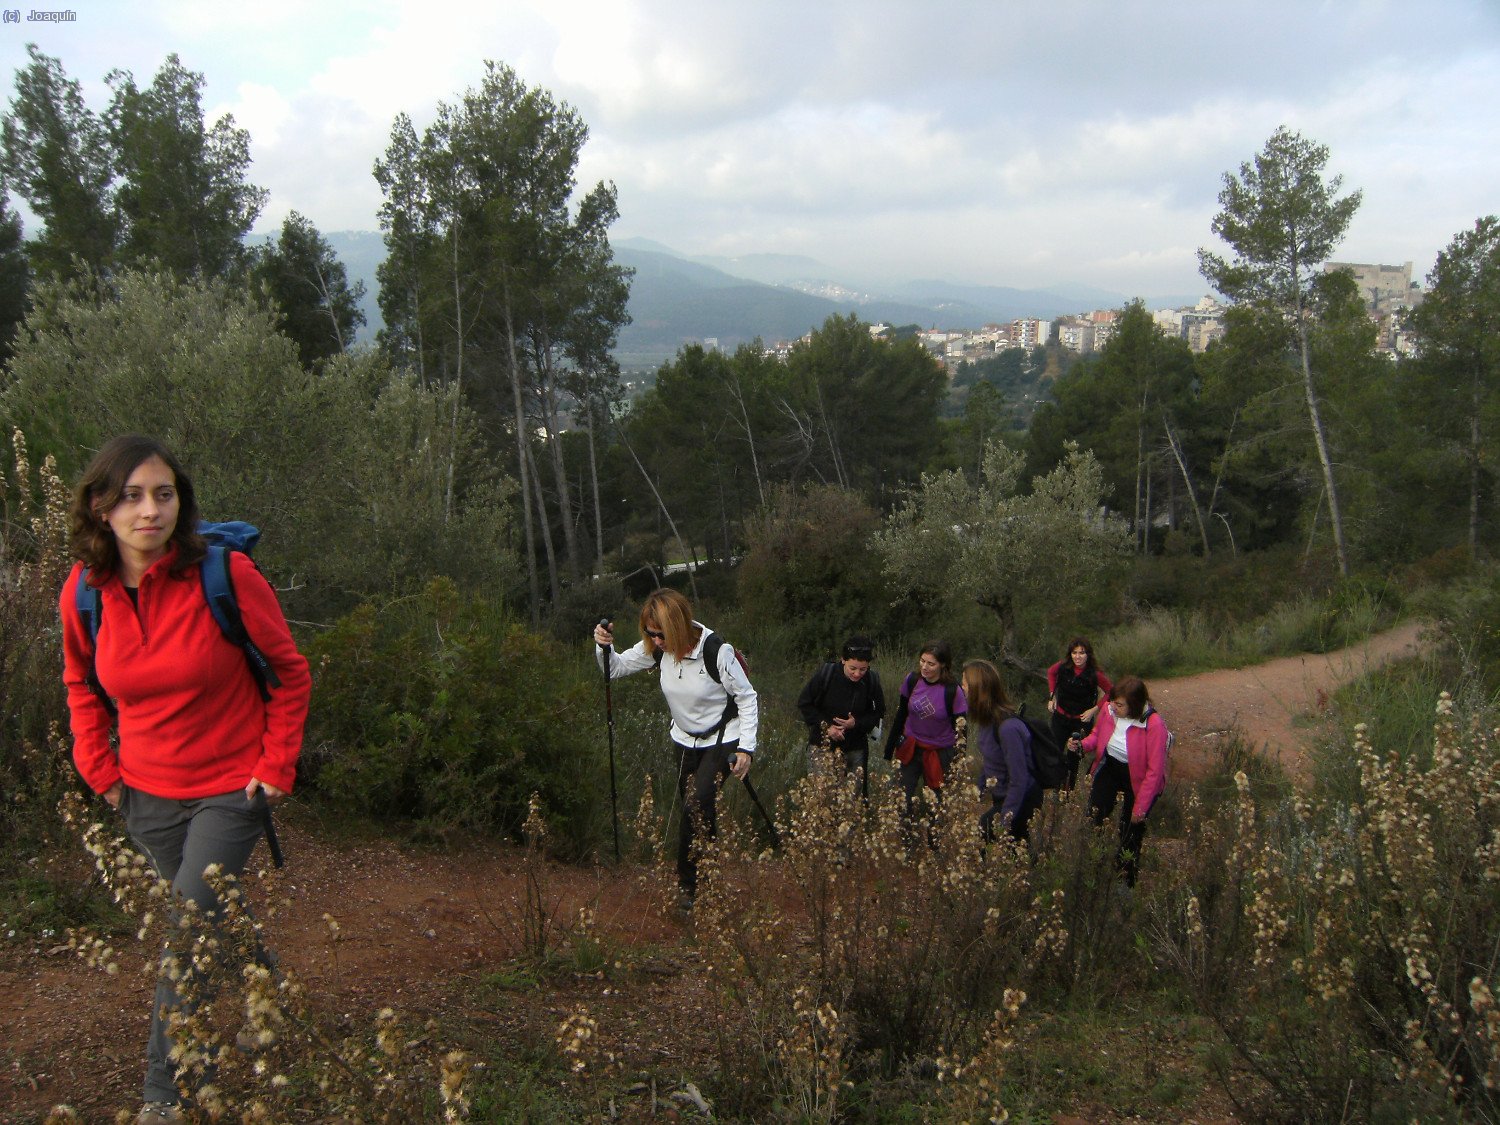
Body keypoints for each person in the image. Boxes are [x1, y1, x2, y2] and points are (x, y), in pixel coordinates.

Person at [60, 435, 312, 1124]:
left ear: (181, 502)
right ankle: (273, 1001)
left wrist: (275, 765)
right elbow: (80, 681)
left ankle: (163, 1092)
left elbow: (290, 671)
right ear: (101, 507)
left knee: (189, 927)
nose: (150, 510)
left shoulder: (224, 576)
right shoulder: (84, 591)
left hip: (231, 788)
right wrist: (99, 768)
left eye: (163, 494)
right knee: (213, 913)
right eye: (131, 496)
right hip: (144, 795)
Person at [593, 589, 757, 904]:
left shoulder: (716, 651)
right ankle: (709, 876)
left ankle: (688, 888)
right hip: (683, 740)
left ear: (678, 627)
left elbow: (747, 698)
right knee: (699, 811)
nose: (656, 641)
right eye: (650, 634)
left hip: (723, 738)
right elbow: (614, 668)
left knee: (695, 805)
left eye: (661, 634)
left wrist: (746, 749)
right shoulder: (657, 649)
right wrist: (604, 647)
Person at [1071, 676, 1168, 887]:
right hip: (1111, 768)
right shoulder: (1109, 711)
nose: (1113, 707)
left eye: (1120, 705)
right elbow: (1097, 736)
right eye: (1113, 702)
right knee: (1094, 816)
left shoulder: (1153, 725)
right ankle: (1092, 869)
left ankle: (1124, 882)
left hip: (1139, 778)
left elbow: (1155, 771)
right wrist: (1081, 745)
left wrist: (1140, 808)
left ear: (1135, 705)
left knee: (1130, 831)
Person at [962, 659, 1041, 845]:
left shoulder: (1008, 728)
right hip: (1003, 796)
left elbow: (1019, 779)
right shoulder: (986, 721)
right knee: (1014, 850)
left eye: (965, 684)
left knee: (990, 835)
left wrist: (1004, 821)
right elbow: (992, 761)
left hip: (1022, 798)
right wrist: (979, 789)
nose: (962, 688)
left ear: (978, 690)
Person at [883, 640, 967, 807]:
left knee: (937, 804)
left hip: (939, 752)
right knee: (899, 799)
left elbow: (961, 729)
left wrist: (960, 761)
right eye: (922, 661)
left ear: (943, 664)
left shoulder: (952, 690)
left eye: (931, 664)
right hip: (911, 747)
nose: (924, 667)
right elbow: (901, 714)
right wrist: (889, 747)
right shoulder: (912, 680)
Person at [795, 635, 885, 784]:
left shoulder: (871, 681)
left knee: (853, 795)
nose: (857, 674)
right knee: (822, 793)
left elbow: (879, 712)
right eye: (852, 668)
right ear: (843, 660)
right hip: (822, 747)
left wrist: (856, 723)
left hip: (855, 749)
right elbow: (805, 703)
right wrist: (827, 727)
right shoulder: (827, 675)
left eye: (863, 669)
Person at [1047, 637, 1113, 790]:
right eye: (1074, 652)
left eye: (1082, 653)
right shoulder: (1063, 667)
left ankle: (1067, 792)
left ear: (1088, 654)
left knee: (1073, 758)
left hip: (1081, 721)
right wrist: (1052, 696)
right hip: (1060, 717)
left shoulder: (1095, 674)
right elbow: (1050, 673)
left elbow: (1111, 691)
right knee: (1055, 752)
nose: (1077, 656)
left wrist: (1094, 709)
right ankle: (1054, 787)